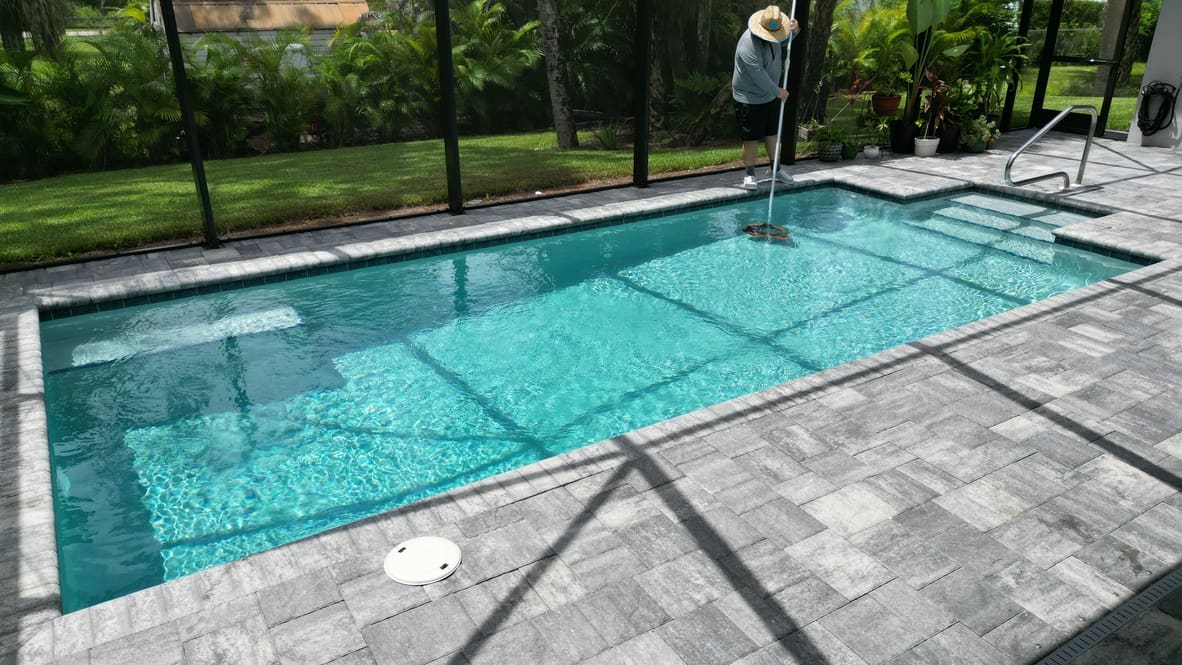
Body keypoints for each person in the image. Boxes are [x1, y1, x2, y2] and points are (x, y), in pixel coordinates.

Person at [732, 5, 800, 190]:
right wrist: (778, 91)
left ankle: (776, 169)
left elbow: (782, 42)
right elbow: (757, 74)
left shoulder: (773, 33)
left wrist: (794, 33)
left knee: (772, 133)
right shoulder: (747, 44)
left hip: (769, 95)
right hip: (749, 97)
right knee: (751, 137)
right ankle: (750, 175)